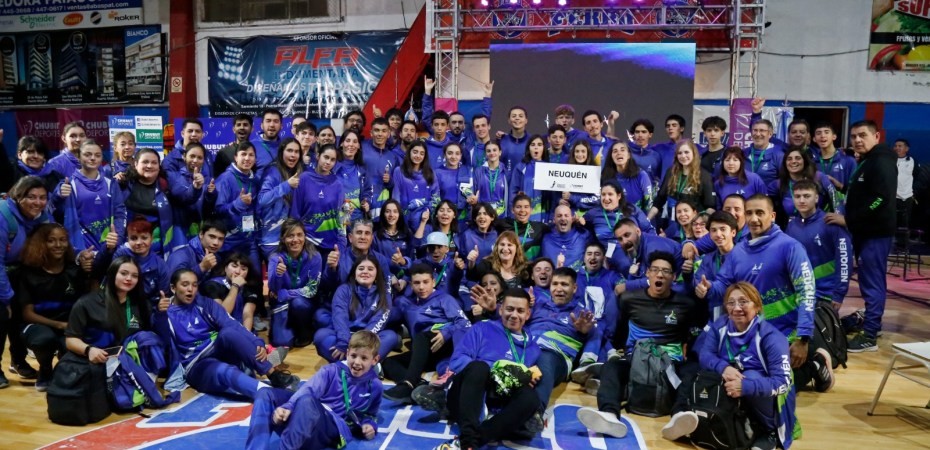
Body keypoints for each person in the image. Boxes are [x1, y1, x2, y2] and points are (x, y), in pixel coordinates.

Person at [577, 252, 703, 438]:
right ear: (647, 273)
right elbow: (620, 330)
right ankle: (609, 414)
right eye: (655, 270)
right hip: (637, 359)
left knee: (692, 369)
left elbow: (691, 333)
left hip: (670, 362)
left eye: (666, 271)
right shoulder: (629, 299)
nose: (660, 275)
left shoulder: (686, 304)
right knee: (612, 366)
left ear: (674, 277)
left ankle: (679, 416)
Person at [695, 195, 816, 380]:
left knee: (774, 386)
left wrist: (803, 338)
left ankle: (816, 365)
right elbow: (723, 284)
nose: (753, 219)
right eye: (749, 213)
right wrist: (709, 288)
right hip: (749, 334)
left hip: (785, 334)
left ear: (772, 216)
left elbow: (806, 293)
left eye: (760, 213)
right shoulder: (738, 251)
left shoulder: (790, 247)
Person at [424, 289, 543, 450]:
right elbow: (456, 362)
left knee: (531, 398)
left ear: (528, 314)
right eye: (509, 309)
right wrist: (496, 370)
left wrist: (525, 378)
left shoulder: (533, 349)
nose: (514, 315)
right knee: (479, 367)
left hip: (498, 403)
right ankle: (469, 438)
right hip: (467, 396)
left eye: (520, 311)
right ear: (501, 310)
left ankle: (470, 442)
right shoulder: (481, 328)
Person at [685, 282, 797, 450]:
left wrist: (745, 387)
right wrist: (723, 368)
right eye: (731, 303)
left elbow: (782, 382)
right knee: (693, 371)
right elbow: (705, 355)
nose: (737, 308)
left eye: (743, 302)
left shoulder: (771, 337)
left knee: (751, 376)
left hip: (762, 395)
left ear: (757, 306)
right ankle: (688, 416)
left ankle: (769, 432)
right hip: (730, 388)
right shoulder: (720, 325)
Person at [155, 269, 300, 398]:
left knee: (228, 332)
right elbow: (164, 343)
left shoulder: (204, 303)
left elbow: (231, 323)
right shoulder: (165, 313)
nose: (190, 289)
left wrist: (257, 341)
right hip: (196, 365)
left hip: (218, 350)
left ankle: (274, 375)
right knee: (224, 370)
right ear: (173, 288)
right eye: (185, 285)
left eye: (194, 285)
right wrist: (161, 315)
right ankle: (269, 393)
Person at [825, 120, 897, 352]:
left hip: (875, 234)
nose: (857, 140)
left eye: (862, 135)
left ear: (876, 136)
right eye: (854, 136)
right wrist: (842, 187)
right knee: (869, 281)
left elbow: (880, 198)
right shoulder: (868, 160)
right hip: (866, 232)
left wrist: (849, 220)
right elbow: (865, 193)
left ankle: (869, 337)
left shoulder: (881, 161)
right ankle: (873, 326)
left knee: (872, 282)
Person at [246, 330, 383, 450]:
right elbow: (308, 389)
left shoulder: (375, 385)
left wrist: (369, 424)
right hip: (306, 419)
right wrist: (288, 407)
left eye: (364, 358)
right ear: (347, 353)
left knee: (307, 402)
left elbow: (370, 414)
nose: (357, 362)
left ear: (375, 359)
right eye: (353, 356)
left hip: (331, 430)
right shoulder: (330, 371)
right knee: (265, 393)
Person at [381, 263, 470, 403]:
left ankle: (408, 384)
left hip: (447, 343)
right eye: (417, 283)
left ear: (433, 282)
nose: (421, 287)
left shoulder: (444, 299)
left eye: (425, 282)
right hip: (425, 350)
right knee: (388, 362)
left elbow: (465, 323)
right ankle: (419, 389)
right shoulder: (408, 306)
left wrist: (446, 333)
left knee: (422, 337)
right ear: (411, 285)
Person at [64, 257, 165, 379]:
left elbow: (153, 334)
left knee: (150, 340)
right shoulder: (87, 303)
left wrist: (161, 313)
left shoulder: (142, 305)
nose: (129, 278)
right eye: (123, 273)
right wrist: (89, 350)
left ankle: (144, 384)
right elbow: (70, 340)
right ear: (112, 274)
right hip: (94, 360)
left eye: (134, 276)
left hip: (126, 362)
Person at [18, 224, 87, 390]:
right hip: (38, 326)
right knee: (44, 339)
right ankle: (45, 369)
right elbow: (27, 314)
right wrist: (59, 325)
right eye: (51, 241)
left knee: (73, 345)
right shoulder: (28, 272)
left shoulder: (74, 270)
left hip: (68, 326)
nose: (58, 245)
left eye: (63, 240)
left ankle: (63, 368)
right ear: (41, 244)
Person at [1, 176, 52, 386]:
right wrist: (6, 298)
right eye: (31, 197)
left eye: (42, 197)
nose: (37, 202)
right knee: (2, 316)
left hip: (19, 273)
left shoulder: (42, 217)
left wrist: (79, 256)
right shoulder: (3, 215)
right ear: (18, 196)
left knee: (19, 318)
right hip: (2, 270)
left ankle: (18, 360)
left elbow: (56, 240)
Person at [54, 140, 124, 273]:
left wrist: (116, 240)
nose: (93, 158)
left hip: (107, 248)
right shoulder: (68, 185)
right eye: (88, 154)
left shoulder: (111, 184)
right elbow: (56, 214)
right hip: (82, 251)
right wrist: (58, 196)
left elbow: (120, 213)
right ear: (79, 157)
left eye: (97, 155)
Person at [314, 256, 397, 362]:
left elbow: (379, 320)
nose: (365, 272)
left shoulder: (384, 293)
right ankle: (362, 365)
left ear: (377, 274)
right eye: (361, 268)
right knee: (321, 336)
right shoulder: (344, 289)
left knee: (390, 336)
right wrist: (343, 342)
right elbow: (339, 316)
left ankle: (347, 365)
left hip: (368, 336)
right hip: (346, 334)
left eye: (370, 269)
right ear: (354, 273)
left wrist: (360, 342)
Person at [570, 241, 621, 386]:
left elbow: (623, 286)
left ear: (603, 258)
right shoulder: (574, 276)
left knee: (598, 324)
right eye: (589, 254)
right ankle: (609, 352)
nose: (593, 257)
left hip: (605, 324)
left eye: (597, 254)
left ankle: (587, 364)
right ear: (584, 257)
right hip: (580, 324)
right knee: (594, 325)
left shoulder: (611, 275)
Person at [267, 219, 322, 348]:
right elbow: (273, 289)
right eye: (290, 236)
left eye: (299, 235)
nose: (295, 239)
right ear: (283, 239)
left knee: (298, 303)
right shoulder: (275, 258)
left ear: (304, 237)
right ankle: (281, 326)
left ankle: (305, 331)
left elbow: (312, 289)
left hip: (303, 303)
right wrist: (278, 274)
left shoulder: (314, 256)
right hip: (282, 304)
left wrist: (286, 294)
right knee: (282, 343)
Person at [121, 148, 183, 258]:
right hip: (129, 249)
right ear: (136, 164)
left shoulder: (166, 183)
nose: (149, 166)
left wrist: (195, 188)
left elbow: (186, 195)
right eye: (145, 162)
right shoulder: (123, 184)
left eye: (154, 163)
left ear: (159, 166)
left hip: (159, 250)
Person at [290, 144, 347, 251]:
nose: (328, 162)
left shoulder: (338, 184)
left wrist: (342, 242)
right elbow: (295, 212)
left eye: (332, 160)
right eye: (326, 157)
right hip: (307, 241)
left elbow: (342, 216)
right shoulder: (304, 178)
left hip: (331, 243)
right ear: (317, 156)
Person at [215, 142, 262, 269]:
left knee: (255, 277)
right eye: (243, 154)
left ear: (255, 159)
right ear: (236, 157)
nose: (247, 158)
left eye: (251, 155)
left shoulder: (255, 180)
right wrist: (237, 204)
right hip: (229, 242)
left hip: (249, 240)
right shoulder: (225, 179)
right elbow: (218, 210)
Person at [687, 211, 739, 322]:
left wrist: (710, 286)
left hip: (740, 312)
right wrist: (697, 285)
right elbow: (698, 282)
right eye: (714, 230)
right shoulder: (708, 259)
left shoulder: (743, 257)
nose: (718, 234)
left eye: (723, 229)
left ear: (733, 232)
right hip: (715, 316)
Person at [649, 139, 715, 225]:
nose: (683, 156)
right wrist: (647, 220)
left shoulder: (704, 175)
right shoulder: (671, 172)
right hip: (672, 223)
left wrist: (700, 224)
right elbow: (659, 201)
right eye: (680, 153)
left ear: (694, 153)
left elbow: (710, 207)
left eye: (686, 152)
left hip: (694, 224)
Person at [257, 138, 304, 258]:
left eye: (296, 151)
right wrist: (286, 185)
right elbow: (262, 200)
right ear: (282, 152)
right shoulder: (272, 171)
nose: (293, 155)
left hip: (293, 238)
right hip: (272, 239)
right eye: (289, 150)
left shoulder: (301, 172)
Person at [771, 146, 840, 227]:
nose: (793, 161)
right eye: (789, 159)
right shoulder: (779, 184)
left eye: (798, 158)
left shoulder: (818, 177)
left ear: (805, 161)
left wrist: (838, 217)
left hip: (820, 225)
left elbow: (835, 198)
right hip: (792, 228)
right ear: (785, 163)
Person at [611, 218, 683, 294]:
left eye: (627, 235)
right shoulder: (634, 249)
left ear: (638, 232)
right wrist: (632, 275)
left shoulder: (653, 247)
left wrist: (627, 286)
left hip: (681, 285)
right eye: (620, 239)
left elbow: (658, 278)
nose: (624, 241)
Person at [112, 218, 171, 309]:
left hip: (147, 308)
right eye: (134, 238)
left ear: (151, 238)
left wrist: (159, 307)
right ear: (128, 239)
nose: (139, 242)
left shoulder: (160, 265)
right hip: (118, 303)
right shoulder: (120, 254)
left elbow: (163, 296)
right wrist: (107, 247)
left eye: (144, 238)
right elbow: (109, 281)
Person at [582, 181, 654, 253]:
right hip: (608, 256)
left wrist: (651, 249)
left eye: (610, 194)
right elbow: (581, 222)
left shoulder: (632, 209)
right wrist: (579, 221)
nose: (606, 198)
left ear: (619, 196)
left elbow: (649, 230)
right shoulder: (593, 213)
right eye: (603, 194)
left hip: (634, 253)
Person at [167, 142, 215, 241]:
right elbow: (184, 197)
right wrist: (195, 188)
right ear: (184, 156)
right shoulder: (174, 177)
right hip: (180, 230)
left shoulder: (208, 180)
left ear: (204, 160)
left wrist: (211, 194)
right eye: (192, 156)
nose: (195, 160)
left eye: (199, 158)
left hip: (200, 230)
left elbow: (209, 209)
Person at [200, 253, 261, 331]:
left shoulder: (250, 287)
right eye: (234, 266)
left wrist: (246, 335)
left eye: (243, 269)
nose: (238, 272)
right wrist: (235, 286)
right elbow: (221, 316)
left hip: (241, 329)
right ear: (226, 268)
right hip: (219, 330)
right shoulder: (212, 285)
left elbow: (248, 315)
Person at [393, 141, 441, 231]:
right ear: (409, 152)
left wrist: (426, 211)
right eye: (415, 152)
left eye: (422, 153)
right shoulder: (398, 171)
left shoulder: (430, 173)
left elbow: (436, 198)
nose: (418, 156)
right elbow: (396, 197)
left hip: (425, 220)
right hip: (403, 220)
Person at [361, 117, 402, 220]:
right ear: (371, 133)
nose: (380, 134)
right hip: (362, 205)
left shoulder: (393, 157)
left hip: (382, 210)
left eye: (384, 131)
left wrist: (390, 181)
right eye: (377, 130)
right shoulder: (361, 150)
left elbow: (396, 185)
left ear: (388, 134)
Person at [602, 141, 654, 212]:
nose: (619, 153)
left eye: (622, 150)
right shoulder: (606, 176)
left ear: (629, 155)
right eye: (615, 151)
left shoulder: (641, 175)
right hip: (612, 217)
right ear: (611, 157)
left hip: (637, 217)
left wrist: (643, 218)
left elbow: (648, 205)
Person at [334, 129, 372, 223]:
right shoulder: (333, 167)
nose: (351, 144)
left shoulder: (362, 169)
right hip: (337, 221)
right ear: (341, 144)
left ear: (358, 146)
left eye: (355, 142)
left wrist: (366, 202)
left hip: (358, 221)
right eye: (347, 141)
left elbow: (368, 191)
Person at [540, 204, 591, 272]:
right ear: (554, 220)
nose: (563, 218)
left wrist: (585, 224)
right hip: (553, 278)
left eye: (566, 215)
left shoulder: (583, 235)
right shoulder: (544, 236)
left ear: (572, 219)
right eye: (559, 216)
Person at [373, 199, 415, 280]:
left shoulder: (407, 233)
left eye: (395, 211)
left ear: (399, 214)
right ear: (383, 214)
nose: (391, 215)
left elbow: (413, 260)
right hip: (383, 278)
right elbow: (374, 261)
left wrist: (403, 261)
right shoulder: (376, 236)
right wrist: (389, 276)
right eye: (387, 211)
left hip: (404, 280)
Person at [495, 193, 546, 258]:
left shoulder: (539, 227)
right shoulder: (504, 223)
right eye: (518, 207)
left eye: (526, 207)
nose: (522, 210)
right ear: (512, 210)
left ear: (531, 210)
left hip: (530, 264)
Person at [435, 142, 474, 222]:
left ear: (461, 156)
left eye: (457, 153)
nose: (453, 157)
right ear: (444, 155)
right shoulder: (437, 173)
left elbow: (472, 194)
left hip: (463, 216)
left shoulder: (468, 171)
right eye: (450, 153)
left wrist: (473, 200)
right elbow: (435, 197)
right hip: (445, 216)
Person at [812, 122, 855, 194]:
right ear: (814, 139)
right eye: (818, 133)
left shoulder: (849, 161)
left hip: (841, 201)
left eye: (826, 132)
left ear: (834, 136)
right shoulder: (811, 163)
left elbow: (856, 190)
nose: (822, 135)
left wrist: (839, 185)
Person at [560, 140, 600, 214]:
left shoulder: (594, 172)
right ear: (573, 153)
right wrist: (559, 200)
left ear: (588, 153)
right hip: (568, 214)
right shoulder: (566, 170)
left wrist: (572, 197)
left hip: (587, 215)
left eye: (583, 151)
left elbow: (596, 199)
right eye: (577, 151)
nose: (580, 154)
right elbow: (556, 192)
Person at [471, 141, 509, 217]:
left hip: (500, 216)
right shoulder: (478, 171)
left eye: (494, 150)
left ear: (500, 152)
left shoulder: (506, 172)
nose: (492, 153)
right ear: (485, 154)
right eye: (488, 151)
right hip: (482, 215)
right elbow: (473, 194)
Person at [744, 119, 784, 187]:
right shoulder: (744, 153)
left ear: (770, 134)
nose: (757, 134)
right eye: (755, 130)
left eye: (762, 130)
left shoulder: (779, 155)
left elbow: (784, 182)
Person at [214, 114, 254, 179]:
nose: (242, 127)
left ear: (252, 129)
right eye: (238, 125)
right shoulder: (223, 153)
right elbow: (217, 178)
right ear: (234, 129)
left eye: (245, 125)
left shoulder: (256, 151)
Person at [894, 138, 919, 234]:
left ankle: (903, 242)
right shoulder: (889, 160)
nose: (897, 148)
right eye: (895, 146)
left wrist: (912, 192)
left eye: (900, 146)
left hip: (906, 197)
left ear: (906, 149)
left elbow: (917, 176)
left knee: (904, 224)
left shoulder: (912, 161)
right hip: (892, 197)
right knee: (891, 221)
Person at [627, 119, 662, 184]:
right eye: (637, 132)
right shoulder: (626, 153)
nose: (640, 135)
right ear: (633, 135)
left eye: (644, 132)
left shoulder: (656, 156)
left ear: (650, 135)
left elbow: (658, 178)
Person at [499, 106, 530, 177]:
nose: (517, 118)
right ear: (509, 120)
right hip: (506, 183)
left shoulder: (532, 142)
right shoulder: (501, 141)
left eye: (520, 116)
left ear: (526, 120)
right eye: (514, 116)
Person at [252, 109, 284, 177]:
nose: (272, 125)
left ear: (281, 126)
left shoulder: (285, 146)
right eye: (268, 121)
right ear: (262, 125)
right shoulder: (251, 146)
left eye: (276, 121)